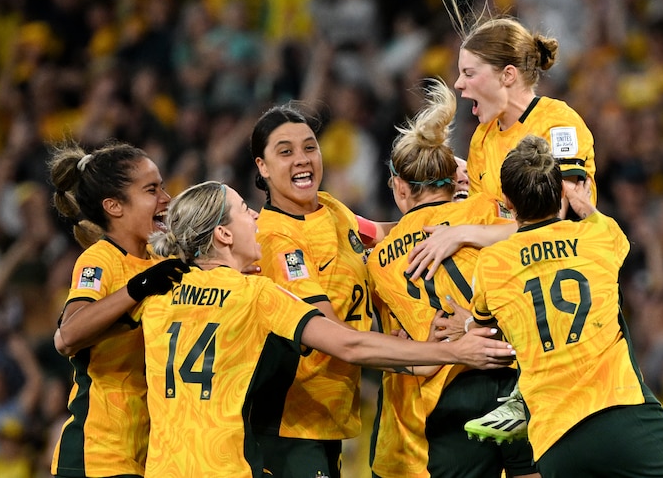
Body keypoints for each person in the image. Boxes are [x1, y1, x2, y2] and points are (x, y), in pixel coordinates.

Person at [135, 180, 513, 478]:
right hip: (226, 466)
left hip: (162, 467)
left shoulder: (157, 295)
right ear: (224, 235)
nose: (256, 220)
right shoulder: (254, 294)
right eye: (245, 211)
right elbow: (348, 345)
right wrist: (453, 352)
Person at [468, 134, 663, 477]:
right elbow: (607, 231)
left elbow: (485, 326)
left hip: (553, 441)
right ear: (560, 190)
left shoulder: (490, 264)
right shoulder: (599, 236)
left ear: (507, 202)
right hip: (618, 410)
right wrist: (582, 202)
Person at [367, 78, 537, 478]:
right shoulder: (482, 209)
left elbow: (422, 359)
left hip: (448, 394)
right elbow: (541, 230)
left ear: (399, 187)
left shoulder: (378, 262)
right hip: (516, 380)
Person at [406, 2, 596, 281]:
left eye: (469, 73)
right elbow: (483, 219)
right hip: (511, 286)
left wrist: (462, 233)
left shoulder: (557, 122)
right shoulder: (482, 139)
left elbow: (553, 222)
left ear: (507, 75)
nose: (458, 84)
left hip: (568, 283)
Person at [245, 102, 384, 477]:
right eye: (285, 151)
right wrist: (427, 354)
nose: (302, 159)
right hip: (289, 425)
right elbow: (338, 338)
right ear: (262, 167)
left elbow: (384, 235)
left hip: (330, 415)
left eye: (309, 147)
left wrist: (452, 224)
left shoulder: (332, 209)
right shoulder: (275, 238)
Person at [48, 141, 189, 477]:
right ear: (114, 206)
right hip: (96, 453)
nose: (166, 199)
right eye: (151, 190)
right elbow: (67, 336)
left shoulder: (161, 263)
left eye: (163, 187)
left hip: (145, 453)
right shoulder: (100, 259)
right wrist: (139, 288)